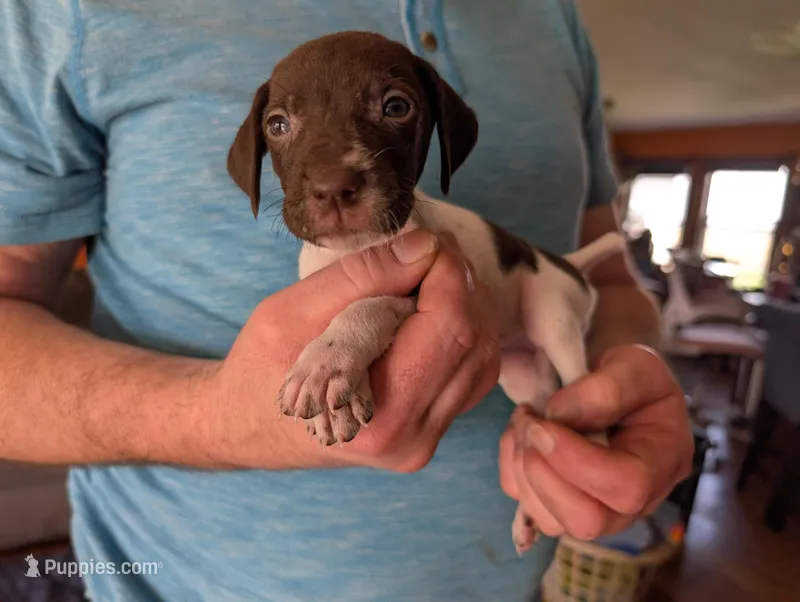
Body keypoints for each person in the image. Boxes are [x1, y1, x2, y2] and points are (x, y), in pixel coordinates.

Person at [0, 1, 694, 600]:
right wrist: (216, 418)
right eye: (282, 125)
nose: (333, 179)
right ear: (256, 154)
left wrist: (620, 396)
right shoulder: (63, 13)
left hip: (510, 581)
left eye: (394, 107)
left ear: (440, 133)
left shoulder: (553, 15)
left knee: (548, 395)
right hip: (182, 583)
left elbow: (607, 286)